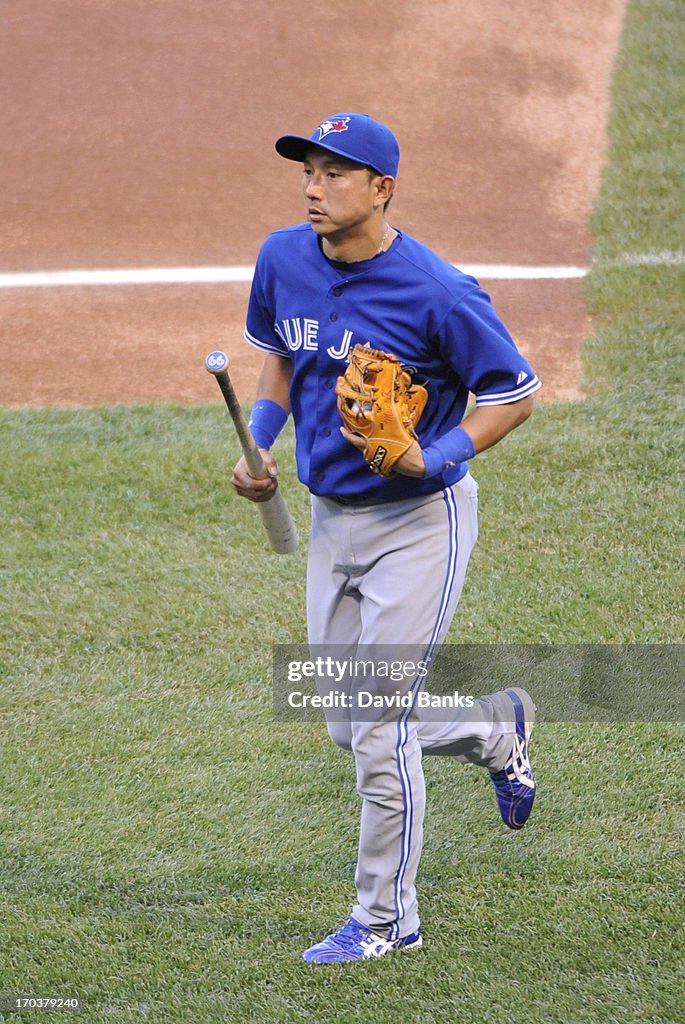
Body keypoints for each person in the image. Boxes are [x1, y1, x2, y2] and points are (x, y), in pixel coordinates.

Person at [232, 112, 540, 964]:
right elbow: (281, 361)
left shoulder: (438, 292)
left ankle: (385, 920)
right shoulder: (282, 257)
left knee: (376, 725)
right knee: (344, 720)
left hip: (418, 525)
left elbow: (511, 393)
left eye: (333, 174)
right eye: (306, 172)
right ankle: (492, 733)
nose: (312, 188)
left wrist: (432, 455)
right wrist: (261, 440)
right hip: (333, 518)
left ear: (382, 188)